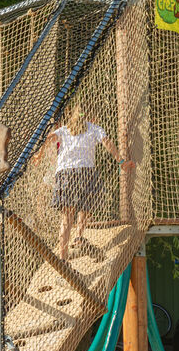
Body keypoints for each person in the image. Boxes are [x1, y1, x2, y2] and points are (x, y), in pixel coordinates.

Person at [36, 105, 132, 259]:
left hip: (65, 173)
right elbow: (107, 143)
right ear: (91, 117)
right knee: (86, 206)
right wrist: (121, 161)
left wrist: (39, 155)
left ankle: (63, 256)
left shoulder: (64, 130)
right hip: (86, 172)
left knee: (67, 216)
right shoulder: (94, 128)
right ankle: (79, 235)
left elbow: (48, 139)